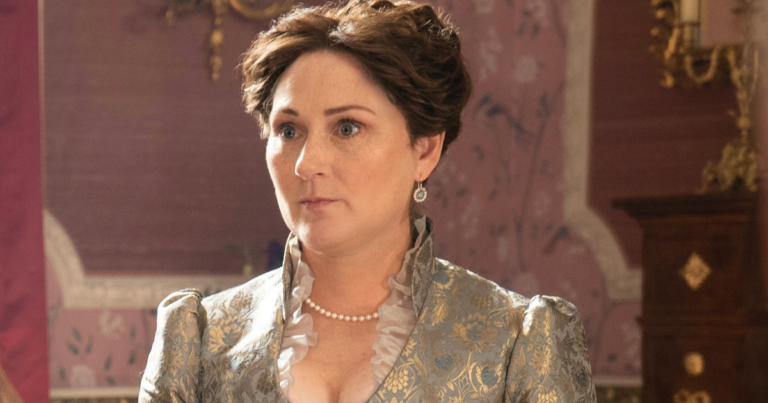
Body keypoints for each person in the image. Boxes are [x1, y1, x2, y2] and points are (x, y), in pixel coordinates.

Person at [139, 1, 596, 402]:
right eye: (289, 130)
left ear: (424, 150)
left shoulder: (517, 341)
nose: (306, 164)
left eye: (347, 128)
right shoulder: (199, 337)